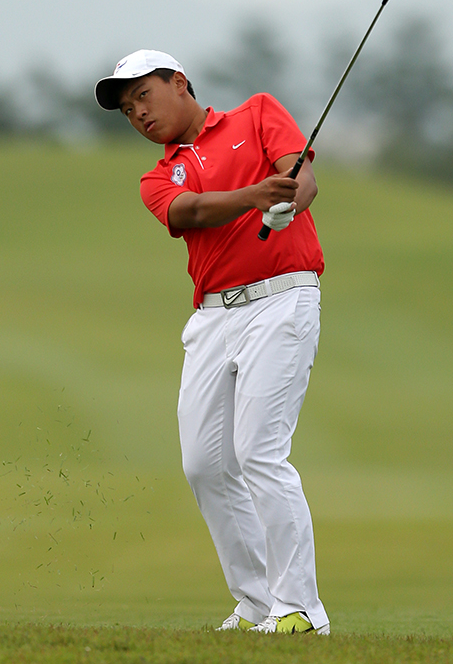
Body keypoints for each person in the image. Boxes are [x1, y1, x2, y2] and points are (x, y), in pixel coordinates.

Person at [94, 49, 329, 636]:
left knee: (259, 453)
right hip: (212, 317)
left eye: (143, 96)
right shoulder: (157, 176)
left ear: (179, 83)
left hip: (282, 299)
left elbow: (302, 176)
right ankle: (255, 604)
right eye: (126, 111)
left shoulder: (256, 114)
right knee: (204, 464)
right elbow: (191, 211)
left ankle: (300, 607)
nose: (138, 115)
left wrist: (287, 203)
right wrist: (254, 198)